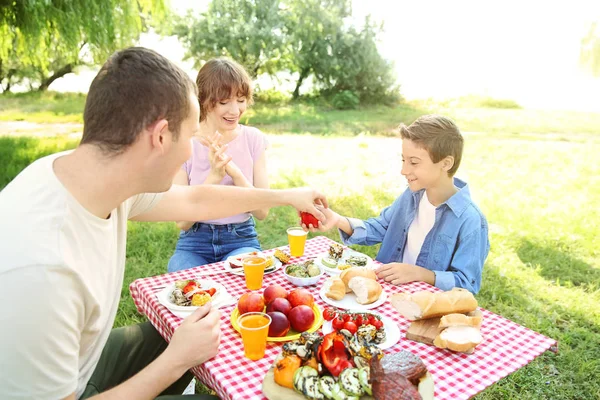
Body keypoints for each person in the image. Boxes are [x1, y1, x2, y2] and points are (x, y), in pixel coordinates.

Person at [0, 47, 327, 400]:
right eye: (189, 137)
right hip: (69, 390)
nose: (192, 151)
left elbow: (195, 200)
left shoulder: (95, 175)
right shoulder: (45, 271)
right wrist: (176, 359)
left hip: (83, 360)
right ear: (159, 136)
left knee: (176, 326)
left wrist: (288, 195)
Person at [308, 115, 489, 294]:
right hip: (386, 293)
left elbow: (467, 283)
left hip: (423, 306)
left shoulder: (470, 220)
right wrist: (338, 220)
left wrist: (421, 274)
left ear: (446, 163)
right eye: (404, 160)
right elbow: (381, 227)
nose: (404, 170)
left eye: (414, 162)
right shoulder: (412, 195)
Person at [168, 58, 269, 272]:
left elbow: (262, 211)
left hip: (240, 238)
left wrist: (236, 174)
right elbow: (182, 223)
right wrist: (214, 177)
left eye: (241, 100)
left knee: (244, 278)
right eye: (224, 102)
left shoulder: (253, 139)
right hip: (195, 240)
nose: (235, 110)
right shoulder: (186, 142)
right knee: (183, 283)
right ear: (204, 100)